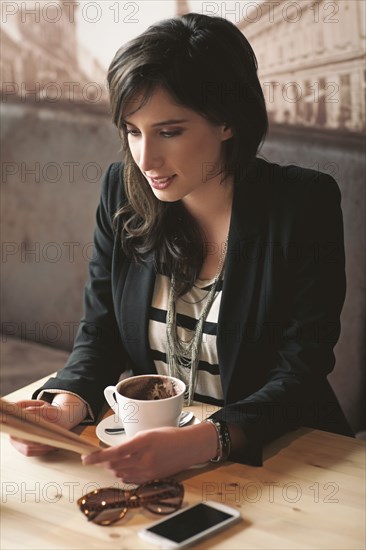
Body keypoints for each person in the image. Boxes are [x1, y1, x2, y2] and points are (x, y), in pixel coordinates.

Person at [10, 13, 352, 483]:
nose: (146, 159)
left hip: (287, 455)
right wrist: (64, 407)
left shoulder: (303, 205)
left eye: (169, 132)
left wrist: (204, 440)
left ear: (227, 121)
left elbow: (301, 372)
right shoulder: (122, 191)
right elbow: (100, 332)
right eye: (133, 131)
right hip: (159, 454)